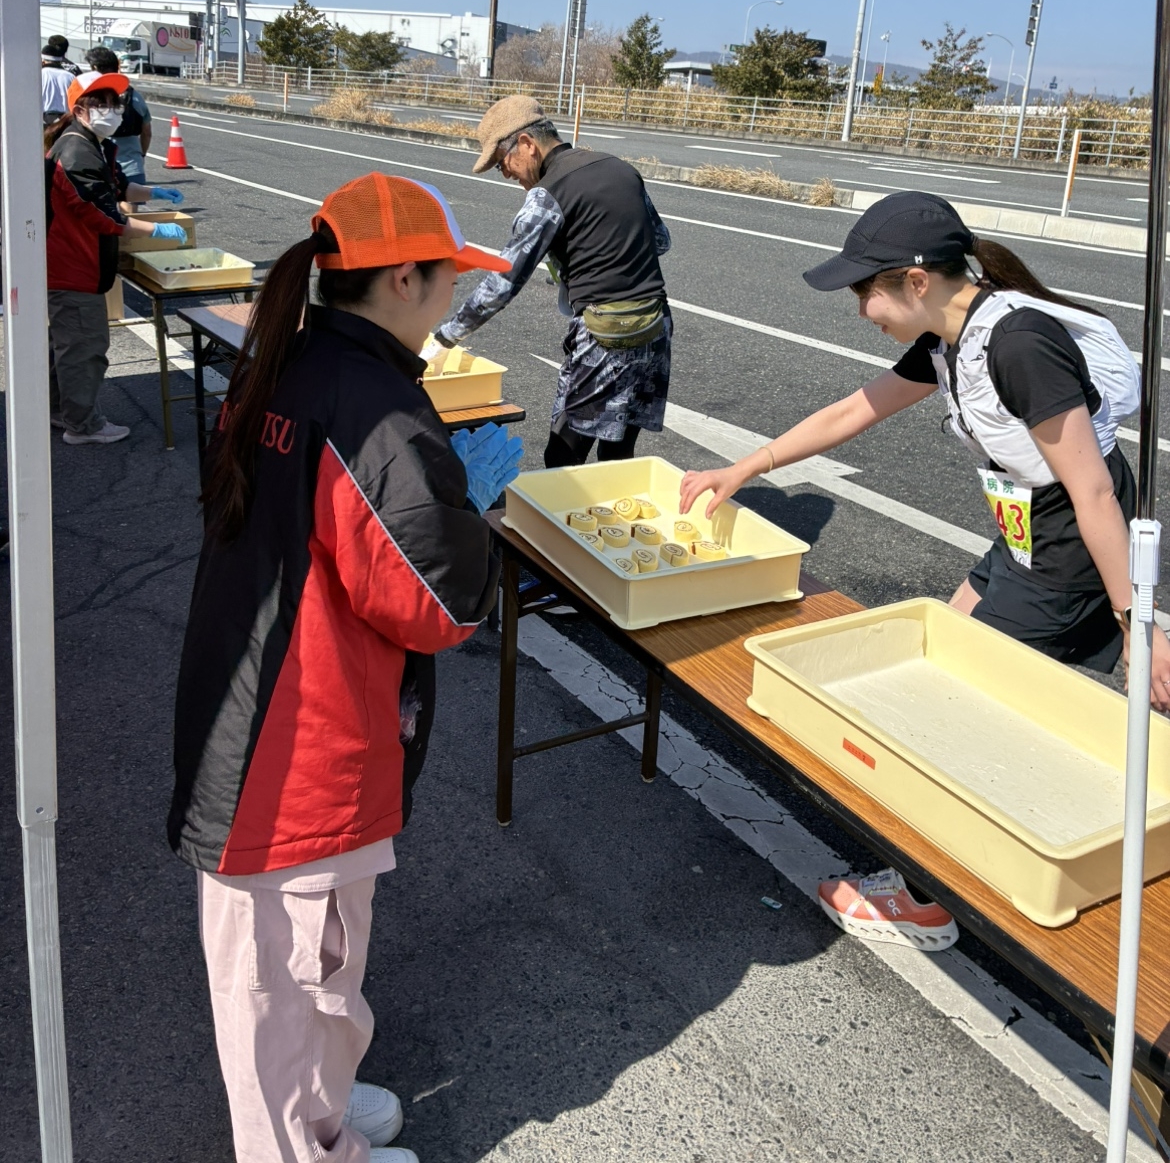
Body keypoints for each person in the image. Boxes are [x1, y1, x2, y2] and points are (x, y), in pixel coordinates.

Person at [679, 190, 1165, 950]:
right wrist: (746, 467)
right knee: (953, 643)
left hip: (1068, 537)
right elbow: (854, 412)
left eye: (865, 290)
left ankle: (927, 902)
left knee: (968, 707)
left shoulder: (1017, 344)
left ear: (914, 280)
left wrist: (1138, 620)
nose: (858, 308)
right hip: (1028, 528)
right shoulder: (949, 335)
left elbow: (1096, 489)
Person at [168, 172, 522, 1163]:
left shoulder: (291, 356)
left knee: (310, 968)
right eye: (448, 276)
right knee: (284, 986)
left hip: (260, 707)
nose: (455, 294)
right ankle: (301, 1146)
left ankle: (322, 1105)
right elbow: (442, 602)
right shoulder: (378, 410)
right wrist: (475, 517)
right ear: (403, 277)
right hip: (296, 746)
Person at [429, 94, 673, 467]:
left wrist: (446, 337)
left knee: (563, 452)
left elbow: (502, 283)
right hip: (655, 326)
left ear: (526, 144)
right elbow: (660, 240)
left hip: (605, 337)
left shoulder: (547, 195)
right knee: (620, 453)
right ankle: (615, 521)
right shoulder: (618, 167)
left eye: (502, 162)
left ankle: (563, 521)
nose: (506, 173)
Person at [46, 69, 187, 445]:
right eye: (100, 103)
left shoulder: (92, 143)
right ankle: (83, 426)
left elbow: (120, 187)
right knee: (84, 350)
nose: (112, 110)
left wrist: (155, 193)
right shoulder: (77, 152)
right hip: (74, 267)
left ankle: (60, 410)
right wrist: (158, 230)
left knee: (65, 345)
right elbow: (105, 216)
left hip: (75, 264)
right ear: (79, 110)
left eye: (115, 102)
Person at [85, 44, 152, 184]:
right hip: (132, 163)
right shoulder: (135, 96)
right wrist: (142, 154)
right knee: (130, 202)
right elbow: (146, 133)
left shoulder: (89, 98)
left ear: (95, 68)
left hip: (98, 164)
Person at [41, 37, 76, 126]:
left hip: (44, 120)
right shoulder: (71, 76)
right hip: (66, 121)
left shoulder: (39, 75)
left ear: (43, 61)